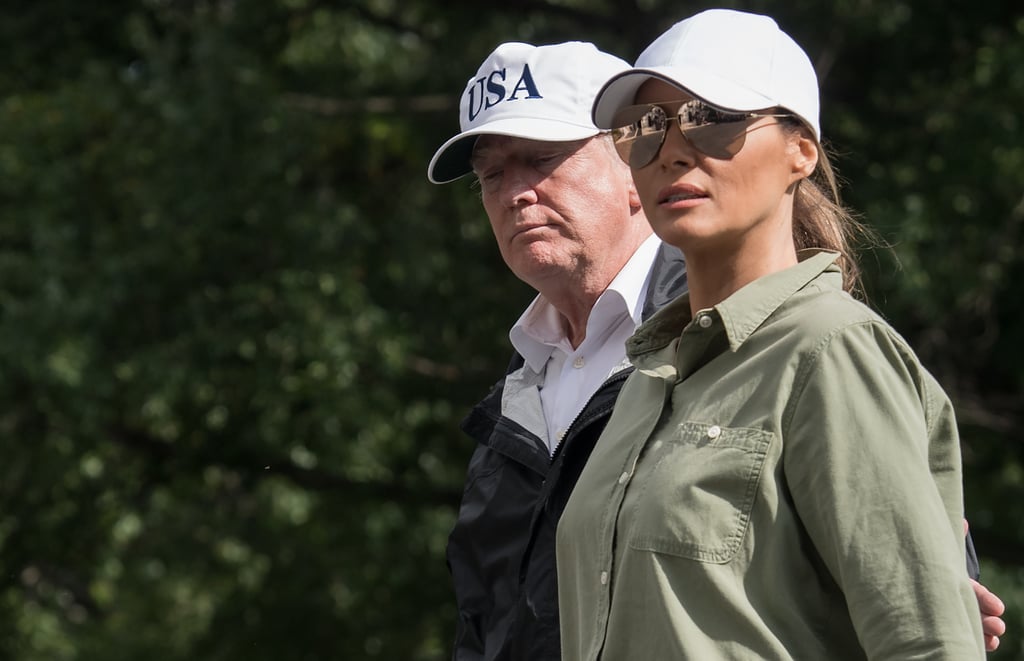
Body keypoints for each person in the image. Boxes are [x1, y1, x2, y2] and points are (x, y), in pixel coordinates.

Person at [427, 38, 1005, 661]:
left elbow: (914, 617)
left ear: (626, 166)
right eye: (491, 174)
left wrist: (926, 590)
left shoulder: (809, 345)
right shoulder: (540, 389)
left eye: (543, 159)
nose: (515, 192)